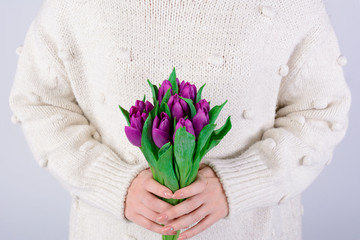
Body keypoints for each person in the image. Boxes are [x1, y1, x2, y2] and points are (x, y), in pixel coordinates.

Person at [9, 0, 351, 239]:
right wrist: (113, 183)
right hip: (109, 230)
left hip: (250, 230)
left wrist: (239, 185)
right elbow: (41, 100)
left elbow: (318, 112)